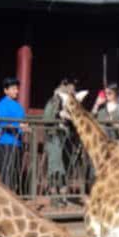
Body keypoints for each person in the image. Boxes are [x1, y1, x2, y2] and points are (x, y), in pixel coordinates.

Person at [43, 78, 77, 206]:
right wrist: (59, 116)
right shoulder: (55, 100)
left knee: (64, 168)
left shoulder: (69, 101)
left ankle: (63, 197)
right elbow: (47, 118)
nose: (73, 90)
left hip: (65, 138)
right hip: (54, 137)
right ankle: (54, 197)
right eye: (71, 87)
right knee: (55, 168)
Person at [0, 77, 25, 191]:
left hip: (17, 143)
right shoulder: (1, 105)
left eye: (16, 89)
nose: (16, 91)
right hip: (5, 142)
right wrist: (19, 126)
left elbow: (21, 122)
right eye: (12, 89)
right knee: (6, 173)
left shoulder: (19, 106)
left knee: (14, 173)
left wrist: (24, 127)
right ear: (5, 90)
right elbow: (3, 123)